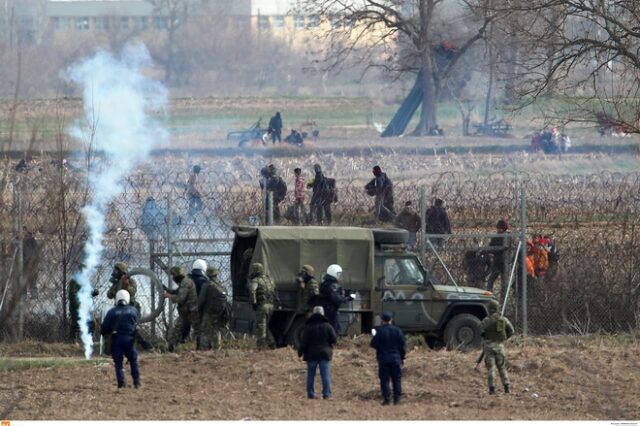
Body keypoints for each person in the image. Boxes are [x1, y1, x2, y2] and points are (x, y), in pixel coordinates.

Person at [100, 289, 141, 389]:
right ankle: (136, 382)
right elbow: (137, 323)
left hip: (116, 339)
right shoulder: (133, 310)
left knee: (118, 362)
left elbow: (104, 328)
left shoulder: (111, 312)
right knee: (133, 361)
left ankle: (121, 383)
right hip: (129, 339)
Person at [298, 306, 338, 400]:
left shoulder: (308, 326)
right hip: (325, 353)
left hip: (311, 354)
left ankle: (311, 394)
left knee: (311, 375)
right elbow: (334, 339)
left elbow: (304, 342)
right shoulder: (327, 326)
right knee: (325, 375)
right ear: (323, 313)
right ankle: (326, 394)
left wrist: (300, 352)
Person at [370, 311, 407, 405]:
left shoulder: (379, 331)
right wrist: (402, 357)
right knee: (397, 379)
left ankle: (387, 399)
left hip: (383, 359)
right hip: (396, 358)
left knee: (385, 380)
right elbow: (403, 346)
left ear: (382, 320)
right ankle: (397, 399)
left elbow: (373, 344)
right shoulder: (398, 330)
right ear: (391, 320)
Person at [479, 299, 515, 395]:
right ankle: (507, 388)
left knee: (491, 368)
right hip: (499, 346)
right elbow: (511, 331)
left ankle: (492, 389)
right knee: (502, 367)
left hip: (488, 346)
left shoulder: (486, 320)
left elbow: (480, 330)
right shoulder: (503, 319)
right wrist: (504, 338)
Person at [165, 266, 200, 352]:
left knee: (197, 331)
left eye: (174, 275)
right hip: (186, 311)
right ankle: (171, 348)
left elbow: (180, 298)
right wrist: (167, 289)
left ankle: (201, 348)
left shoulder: (186, 282)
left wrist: (169, 296)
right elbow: (178, 291)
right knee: (178, 329)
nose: (173, 278)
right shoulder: (184, 282)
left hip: (191, 311)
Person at [198, 266, 230, 350]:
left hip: (208, 312)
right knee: (216, 330)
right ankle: (217, 348)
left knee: (205, 330)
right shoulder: (222, 286)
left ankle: (204, 349)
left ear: (208, 274)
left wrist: (197, 309)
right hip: (220, 312)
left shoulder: (207, 285)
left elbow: (201, 299)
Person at [248, 262, 276, 349]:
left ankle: (261, 346)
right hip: (271, 305)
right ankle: (272, 343)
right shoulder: (270, 280)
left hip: (262, 306)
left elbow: (252, 291)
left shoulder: (256, 280)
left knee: (261, 326)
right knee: (267, 326)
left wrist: (254, 302)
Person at [68, 266, 99, 342]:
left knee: (92, 323)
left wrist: (93, 292)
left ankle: (89, 340)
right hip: (77, 306)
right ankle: (73, 341)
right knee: (77, 323)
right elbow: (72, 295)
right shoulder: (75, 281)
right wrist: (78, 305)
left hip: (85, 305)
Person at [320, 264, 351, 333]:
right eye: (338, 274)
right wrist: (347, 299)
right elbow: (336, 299)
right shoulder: (332, 285)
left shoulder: (325, 283)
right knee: (334, 330)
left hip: (327, 309)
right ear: (334, 274)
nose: (339, 276)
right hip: (331, 311)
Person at [486, 219, 511, 297]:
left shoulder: (507, 236)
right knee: (490, 281)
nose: (498, 230)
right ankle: (489, 297)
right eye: (498, 228)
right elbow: (491, 246)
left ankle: (503, 299)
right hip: (497, 262)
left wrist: (495, 249)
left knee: (504, 283)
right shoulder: (496, 236)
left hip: (504, 262)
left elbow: (504, 248)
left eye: (500, 228)